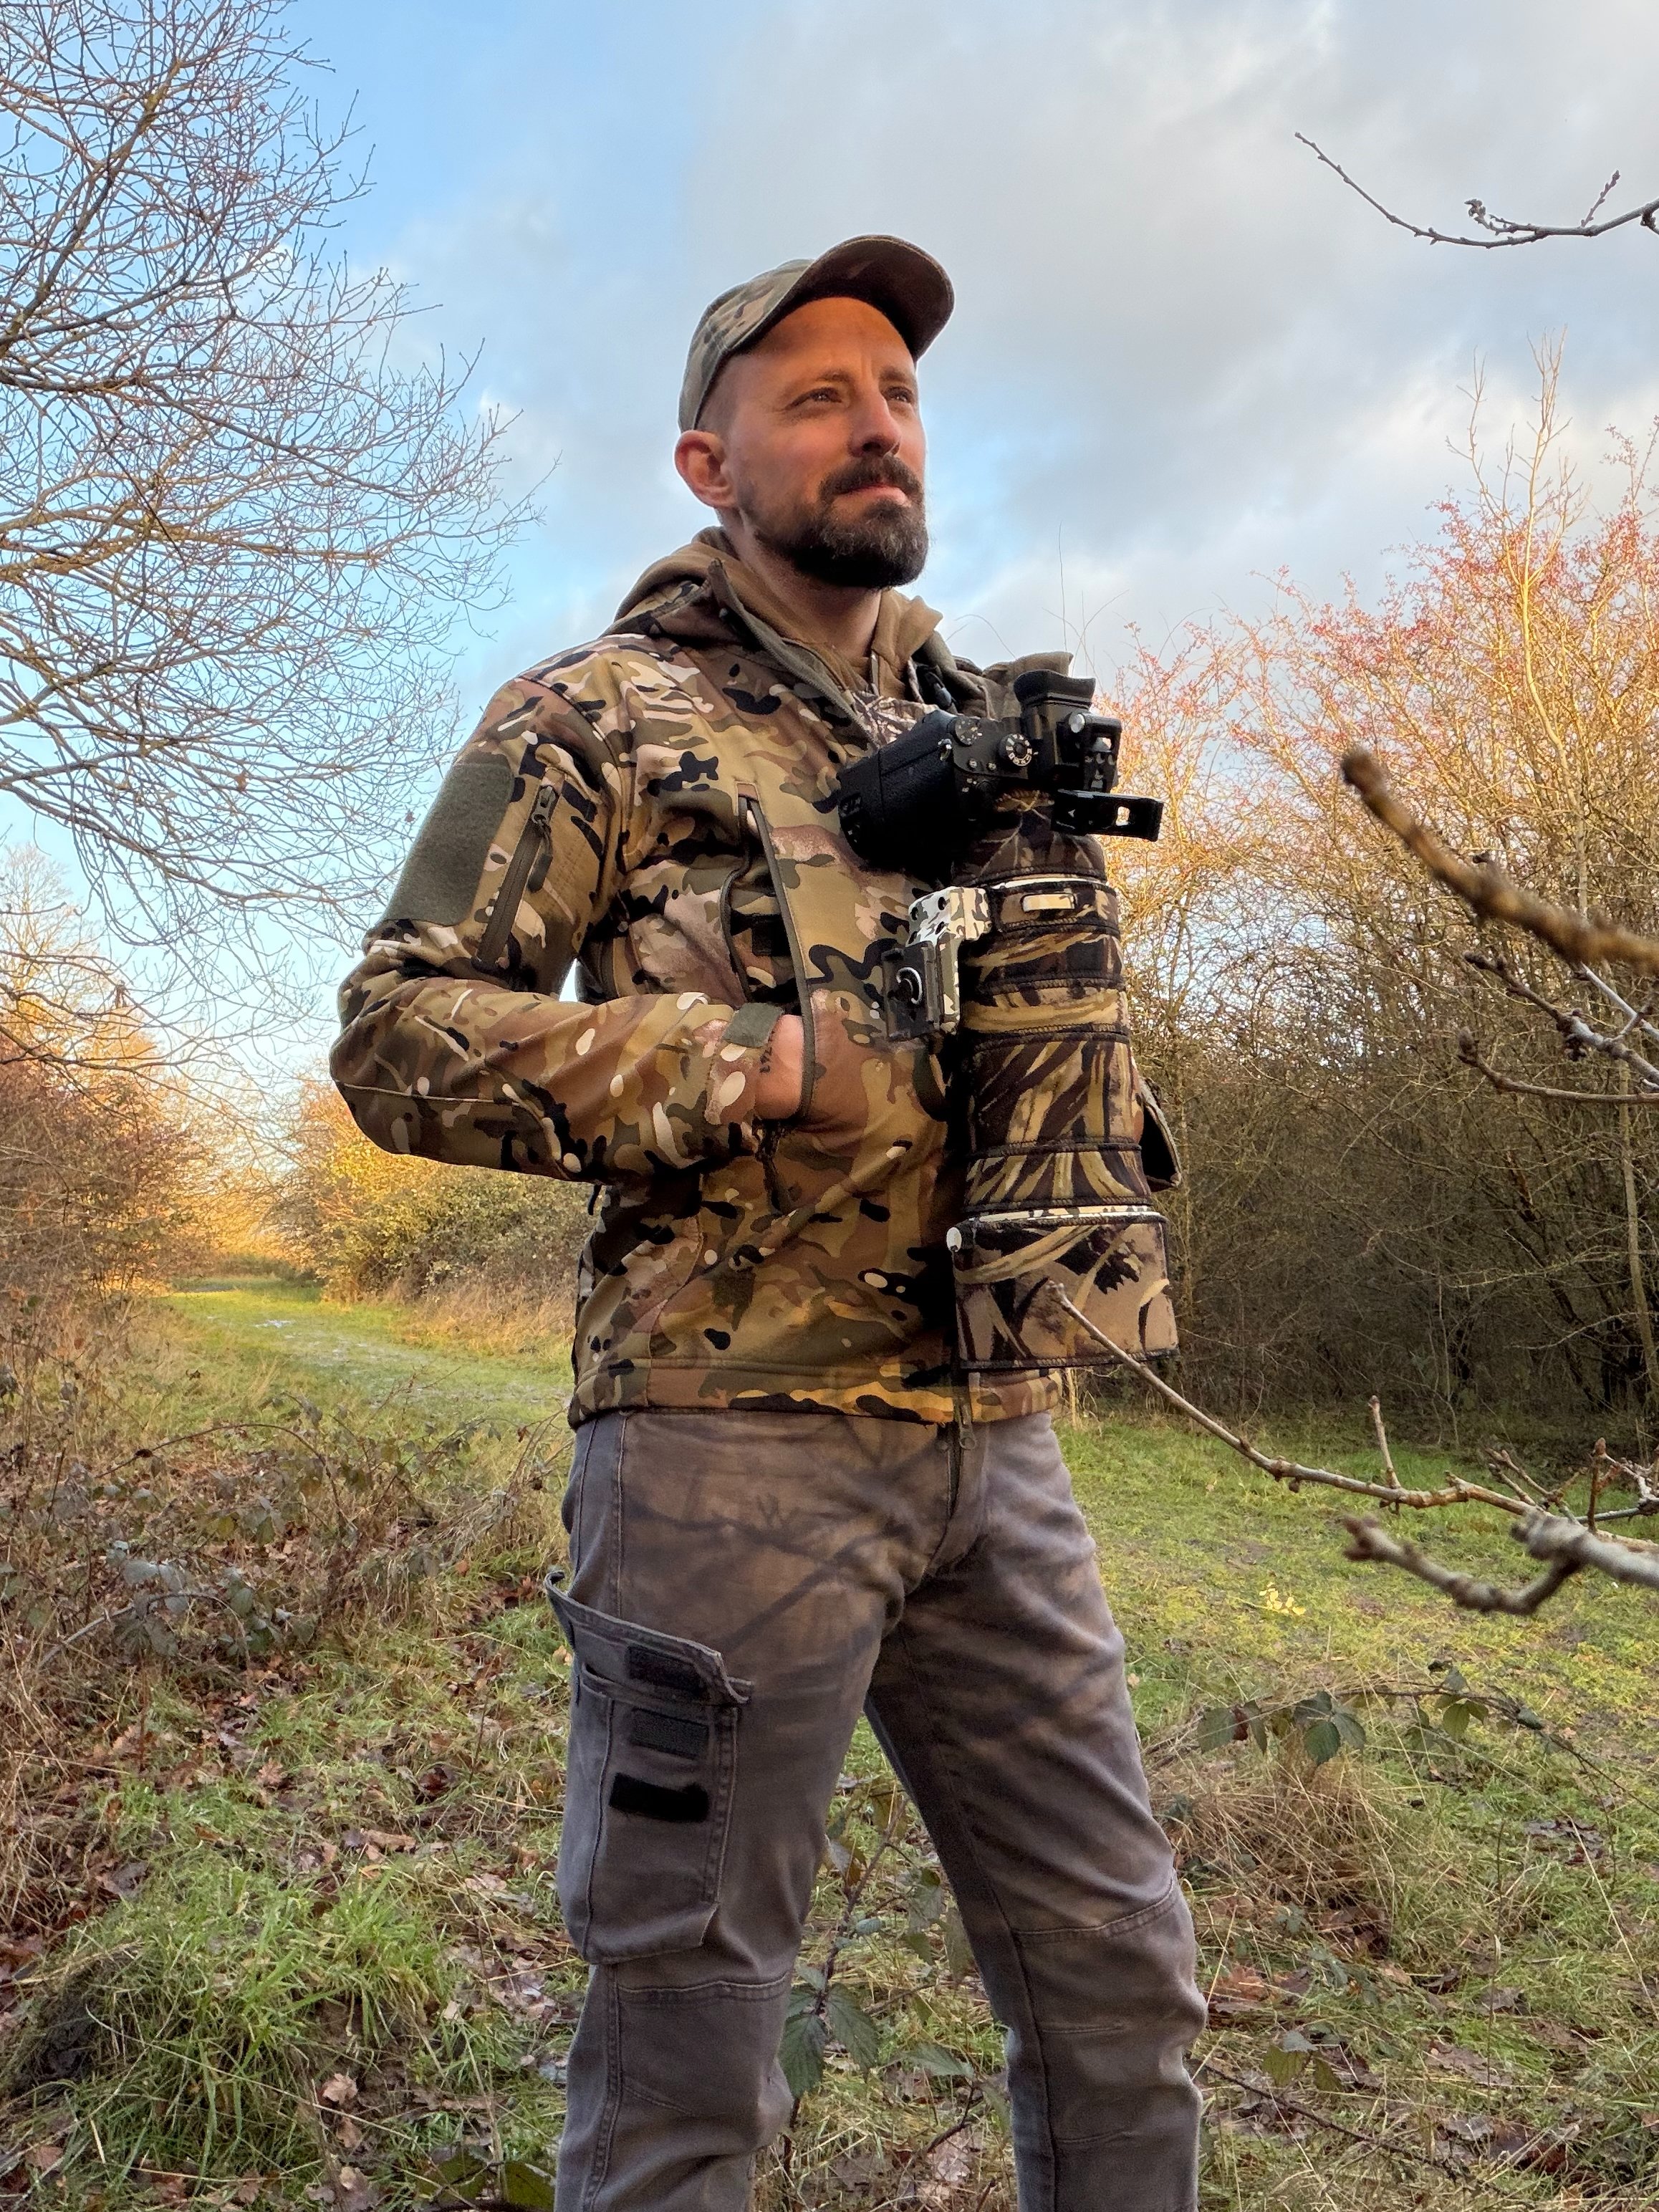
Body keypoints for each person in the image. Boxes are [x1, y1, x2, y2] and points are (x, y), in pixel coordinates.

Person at [332, 234, 1207, 2212]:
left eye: (895, 393)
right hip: (721, 1460)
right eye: (814, 396)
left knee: (1120, 1984)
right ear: (705, 464)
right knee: (685, 2035)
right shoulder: (591, 717)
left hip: (994, 1446)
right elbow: (394, 1035)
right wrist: (747, 1061)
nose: (874, 424)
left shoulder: (991, 737)